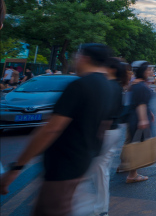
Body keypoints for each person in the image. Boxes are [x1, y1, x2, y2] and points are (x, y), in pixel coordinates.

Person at [0, 44, 114, 216]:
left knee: (51, 210)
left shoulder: (79, 86)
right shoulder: (107, 87)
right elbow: (104, 126)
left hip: (63, 164)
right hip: (82, 161)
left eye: (77, 56)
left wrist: (17, 167)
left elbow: (51, 129)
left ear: (85, 58)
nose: (75, 59)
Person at [73, 57, 127, 216]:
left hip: (105, 131)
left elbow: (105, 114)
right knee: (100, 171)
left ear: (111, 69)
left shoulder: (109, 86)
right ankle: (100, 208)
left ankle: (97, 208)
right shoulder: (114, 86)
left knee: (93, 171)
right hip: (111, 131)